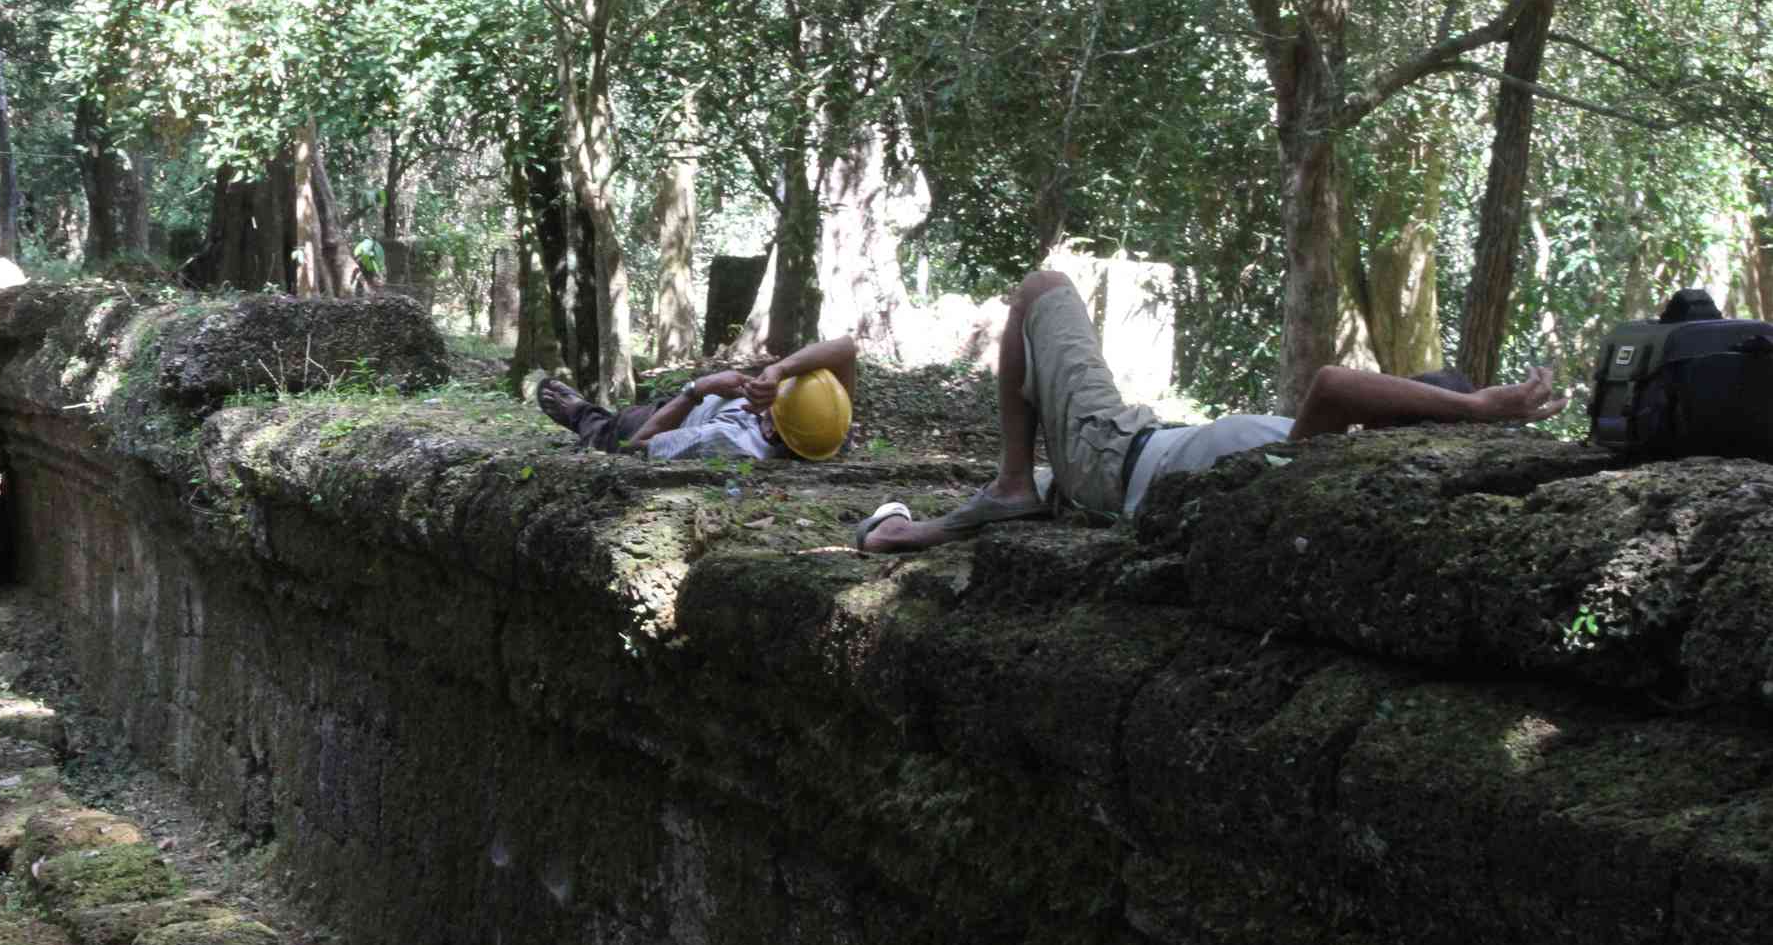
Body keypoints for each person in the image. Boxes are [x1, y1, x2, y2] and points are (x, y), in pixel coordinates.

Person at [856, 269, 1569, 555]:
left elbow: (1329, 383)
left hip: (1114, 458)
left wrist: (1477, 407)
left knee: (1043, 289)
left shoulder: (1320, 461)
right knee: (959, 524)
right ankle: (907, 531)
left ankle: (1011, 485)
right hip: (1127, 456)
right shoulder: (1318, 459)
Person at [535, 335, 858, 461]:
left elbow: (635, 450)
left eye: (770, 407)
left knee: (610, 428)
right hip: (698, 409)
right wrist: (778, 370)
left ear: (771, 431)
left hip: (662, 422)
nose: (765, 400)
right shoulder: (827, 430)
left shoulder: (724, 440)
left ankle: (581, 416)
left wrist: (697, 389)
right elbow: (846, 349)